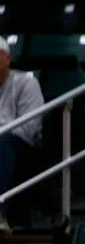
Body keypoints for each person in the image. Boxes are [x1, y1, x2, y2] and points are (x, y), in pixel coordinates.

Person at [0, 35, 45, 232]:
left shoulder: (27, 83)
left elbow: (29, 127)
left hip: (23, 146)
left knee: (3, 143)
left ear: (7, 58)